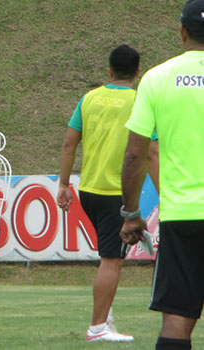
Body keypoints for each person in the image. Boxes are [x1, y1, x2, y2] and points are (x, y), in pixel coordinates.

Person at [120, 1, 204, 349]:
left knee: (176, 321)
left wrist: (130, 214)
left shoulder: (156, 78)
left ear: (182, 31)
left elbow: (136, 152)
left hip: (182, 215)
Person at [57, 44, 140, 342]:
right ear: (138, 72)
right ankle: (97, 328)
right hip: (114, 191)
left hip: (88, 190)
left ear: (109, 70)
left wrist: (64, 184)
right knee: (111, 260)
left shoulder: (89, 98)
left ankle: (107, 318)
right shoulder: (139, 100)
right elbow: (149, 147)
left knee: (109, 255)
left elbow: (69, 143)